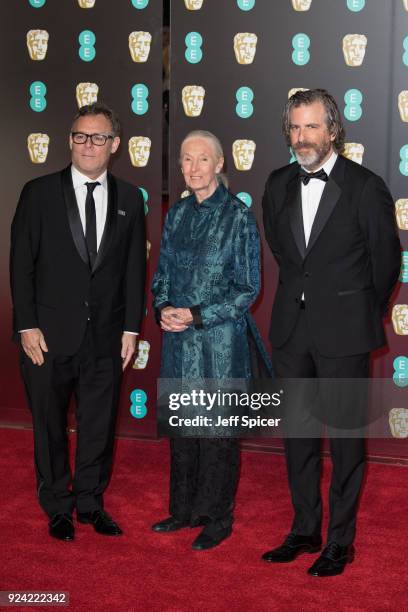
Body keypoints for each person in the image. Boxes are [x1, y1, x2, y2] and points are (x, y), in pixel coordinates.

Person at [261, 89, 401, 576]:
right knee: (298, 437)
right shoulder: (277, 184)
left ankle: (340, 542)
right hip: (291, 332)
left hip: (344, 334)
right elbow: (284, 252)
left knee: (345, 444)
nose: (302, 138)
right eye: (295, 128)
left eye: (312, 127)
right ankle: (304, 529)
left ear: (333, 130)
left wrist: (355, 311)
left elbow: (386, 263)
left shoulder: (365, 187)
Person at [10, 102, 146, 541]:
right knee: (48, 425)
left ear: (115, 144)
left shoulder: (129, 197)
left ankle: (90, 502)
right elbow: (20, 265)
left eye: (99, 137)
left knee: (99, 425)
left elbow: (132, 271)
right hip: (46, 338)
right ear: (70, 141)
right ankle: (57, 506)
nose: (90, 145)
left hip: (105, 337)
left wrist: (129, 329)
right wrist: (26, 325)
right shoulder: (38, 192)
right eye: (81, 136)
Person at [151, 130, 271, 551]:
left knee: (218, 434)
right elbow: (161, 275)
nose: (194, 167)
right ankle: (182, 511)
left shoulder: (238, 217)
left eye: (203, 159)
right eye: (187, 159)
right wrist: (162, 307)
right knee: (184, 431)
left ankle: (218, 518)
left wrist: (197, 315)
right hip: (178, 342)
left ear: (220, 164)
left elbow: (247, 288)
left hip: (220, 344)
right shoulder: (176, 215)